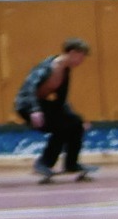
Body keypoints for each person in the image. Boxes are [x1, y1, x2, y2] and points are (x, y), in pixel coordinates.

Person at [14, 39, 94, 184]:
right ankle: (43, 164)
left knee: (75, 123)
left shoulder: (65, 71)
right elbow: (29, 88)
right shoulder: (47, 67)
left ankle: (71, 163)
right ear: (72, 53)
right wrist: (34, 110)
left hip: (41, 105)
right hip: (27, 104)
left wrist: (75, 118)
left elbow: (61, 101)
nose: (82, 60)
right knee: (62, 127)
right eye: (81, 56)